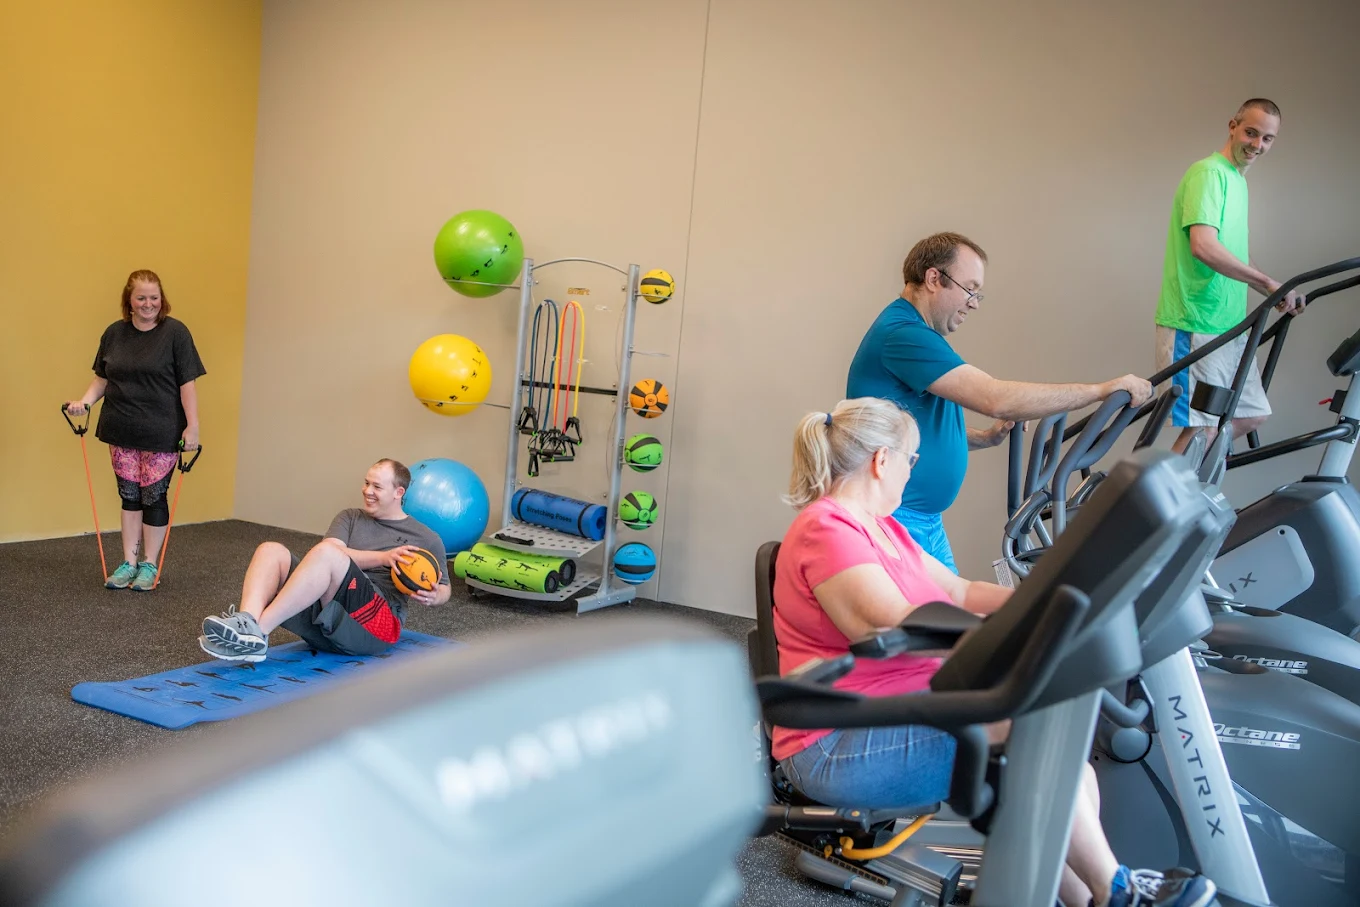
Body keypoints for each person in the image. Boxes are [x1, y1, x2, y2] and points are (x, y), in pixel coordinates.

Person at [771, 397, 1216, 907]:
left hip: (892, 714)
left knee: (1064, 762)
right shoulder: (826, 528)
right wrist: (1026, 628)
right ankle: (1118, 890)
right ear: (882, 461)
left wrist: (1054, 600)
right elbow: (888, 620)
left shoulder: (885, 529)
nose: (911, 473)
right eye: (911, 460)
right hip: (833, 741)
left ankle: (1095, 897)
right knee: (1036, 742)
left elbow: (959, 593)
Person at [847, 232, 1152, 573]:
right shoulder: (903, 334)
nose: (974, 302)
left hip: (923, 520)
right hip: (897, 519)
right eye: (970, 289)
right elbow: (996, 398)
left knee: (953, 618)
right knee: (935, 622)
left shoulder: (915, 332)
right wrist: (1102, 390)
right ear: (934, 278)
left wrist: (986, 437)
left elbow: (917, 431)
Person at [1154, 98, 1303, 454]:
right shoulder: (1209, 173)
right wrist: (1267, 283)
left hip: (1228, 325)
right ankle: (1156, 505)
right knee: (1203, 427)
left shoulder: (1237, 182)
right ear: (1232, 126)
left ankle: (1184, 498)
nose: (1257, 145)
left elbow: (1233, 256)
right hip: (1195, 323)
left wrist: (1270, 288)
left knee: (1250, 415)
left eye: (1267, 139)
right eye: (1251, 133)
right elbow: (1203, 247)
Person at [197, 459, 451, 663]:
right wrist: (384, 557)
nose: (367, 491)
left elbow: (445, 591)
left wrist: (434, 595)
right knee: (270, 550)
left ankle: (257, 630)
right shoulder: (350, 517)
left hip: (376, 628)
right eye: (366, 483)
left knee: (327, 554)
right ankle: (248, 626)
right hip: (327, 619)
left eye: (377, 487)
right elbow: (331, 551)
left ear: (399, 492)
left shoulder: (425, 538)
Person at [65, 269, 205, 592]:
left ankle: (149, 565)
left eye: (154, 297)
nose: (148, 304)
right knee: (129, 495)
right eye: (141, 297)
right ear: (129, 300)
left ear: (162, 299)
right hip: (121, 427)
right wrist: (84, 403)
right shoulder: (114, 334)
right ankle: (128, 563)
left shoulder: (176, 334)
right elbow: (102, 378)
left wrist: (193, 427)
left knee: (153, 496)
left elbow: (188, 385)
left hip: (162, 431)